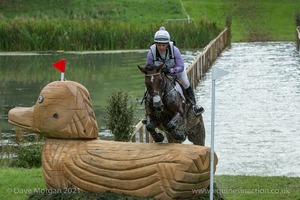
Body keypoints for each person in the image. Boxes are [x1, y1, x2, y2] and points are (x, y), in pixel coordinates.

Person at [145, 26, 204, 116]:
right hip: (158, 73)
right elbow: (148, 68)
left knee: (185, 82)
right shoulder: (151, 53)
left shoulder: (175, 50)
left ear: (167, 44)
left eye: (163, 45)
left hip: (176, 70)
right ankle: (148, 110)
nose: (161, 47)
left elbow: (181, 66)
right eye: (159, 45)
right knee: (148, 86)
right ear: (155, 44)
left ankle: (193, 105)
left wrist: (171, 70)